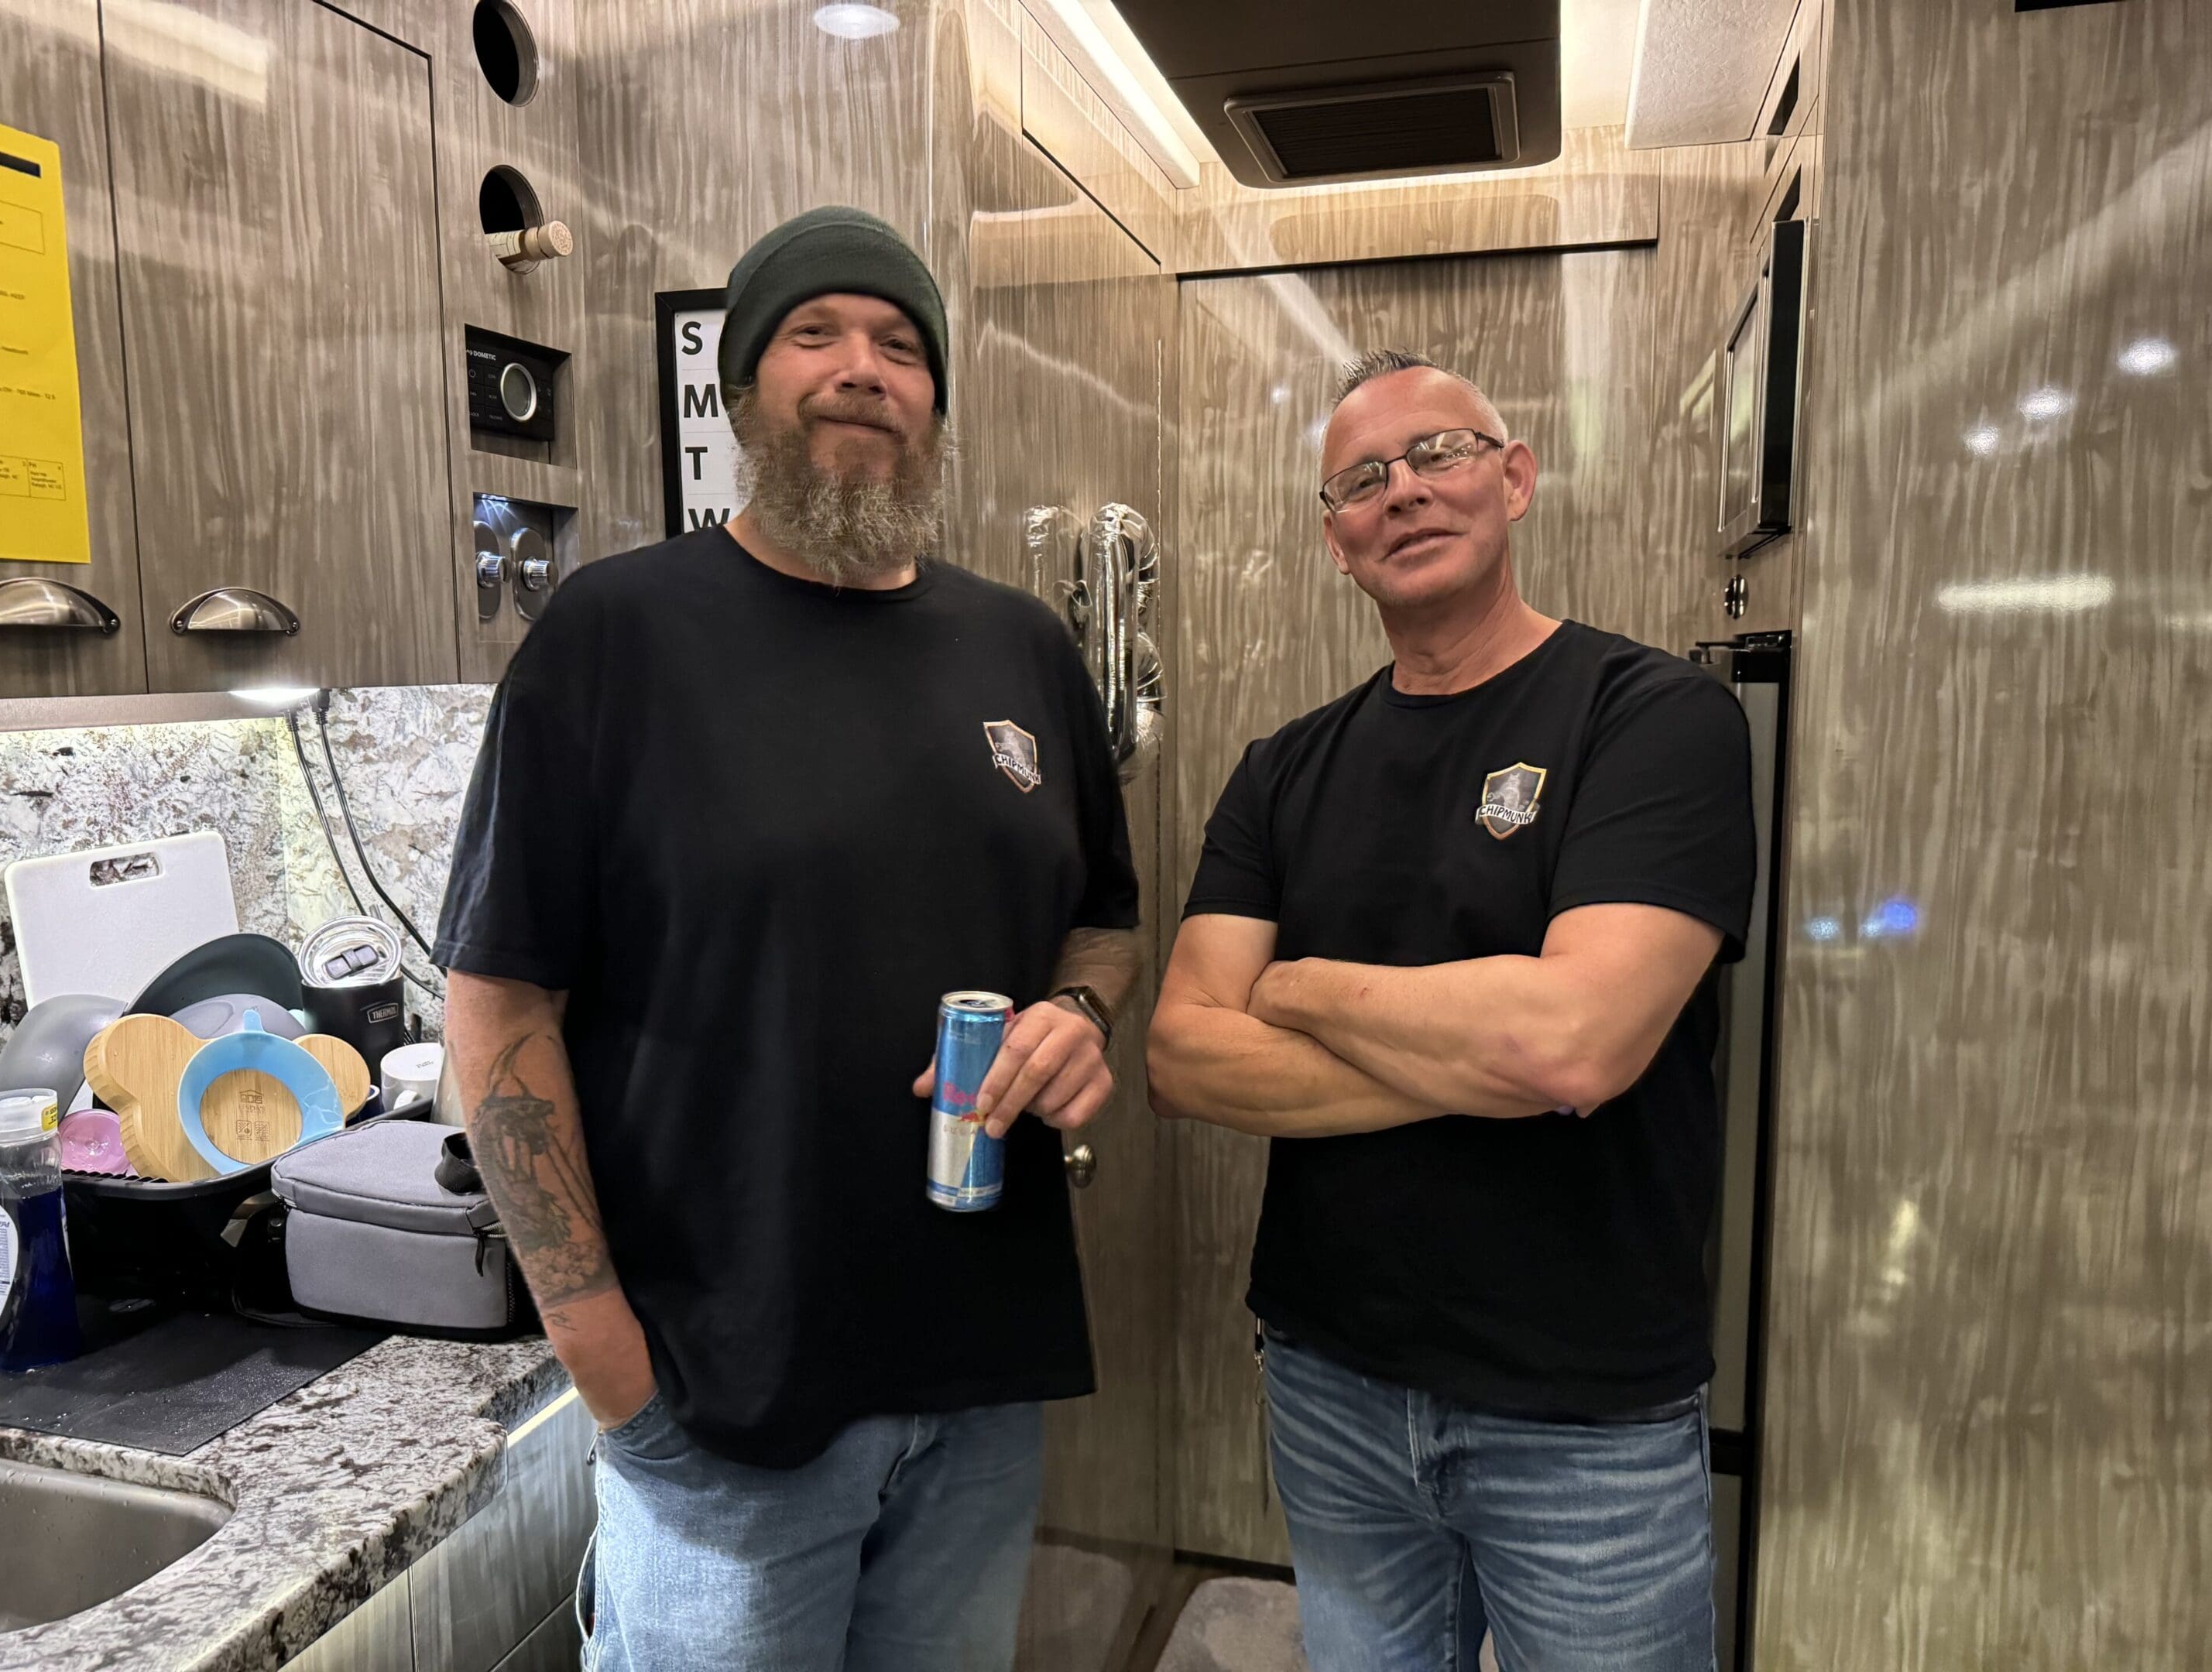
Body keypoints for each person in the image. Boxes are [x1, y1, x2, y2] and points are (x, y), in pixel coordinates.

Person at [434, 205, 1141, 1672]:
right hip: (723, 1402)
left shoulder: (1022, 649)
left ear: (935, 399)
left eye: (898, 345)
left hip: (980, 1377)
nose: (860, 369)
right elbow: (499, 1005)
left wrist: (1080, 1016)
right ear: (743, 388)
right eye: (813, 335)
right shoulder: (612, 638)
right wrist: (603, 1358)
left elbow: (1105, 923)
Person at [1147, 348, 1755, 1672]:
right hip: (1330, 1380)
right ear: (1335, 541)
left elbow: (1576, 1041)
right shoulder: (1283, 769)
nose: (1404, 492)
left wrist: (1299, 990)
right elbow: (1186, 1055)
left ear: (1516, 478)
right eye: (1362, 480)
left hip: (1583, 1407)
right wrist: (1494, 1049)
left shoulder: (1653, 719)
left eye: (1440, 454)